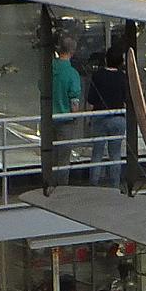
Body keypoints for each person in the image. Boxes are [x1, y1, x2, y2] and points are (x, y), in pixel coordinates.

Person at [86, 47, 130, 187]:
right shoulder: (123, 77)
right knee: (115, 153)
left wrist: (89, 118)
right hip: (118, 118)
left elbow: (91, 99)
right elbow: (126, 99)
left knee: (97, 153)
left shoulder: (98, 75)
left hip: (100, 117)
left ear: (106, 59)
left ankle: (94, 183)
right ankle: (115, 185)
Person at [50, 37, 83, 187]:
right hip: (66, 120)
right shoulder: (72, 73)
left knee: (50, 155)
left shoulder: (49, 68)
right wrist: (75, 116)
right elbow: (74, 99)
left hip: (48, 119)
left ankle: (49, 185)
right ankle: (61, 188)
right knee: (63, 158)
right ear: (72, 52)